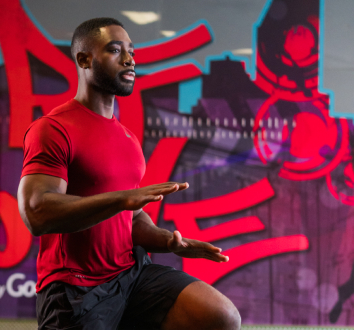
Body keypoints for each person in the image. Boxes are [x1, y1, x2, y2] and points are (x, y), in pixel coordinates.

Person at [17, 17, 241, 330]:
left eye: (131, 51)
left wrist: (168, 241)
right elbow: (36, 212)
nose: (129, 59)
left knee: (220, 316)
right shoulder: (53, 129)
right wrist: (123, 199)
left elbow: (131, 219)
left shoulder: (127, 138)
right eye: (115, 50)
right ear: (84, 59)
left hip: (131, 274)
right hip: (76, 288)